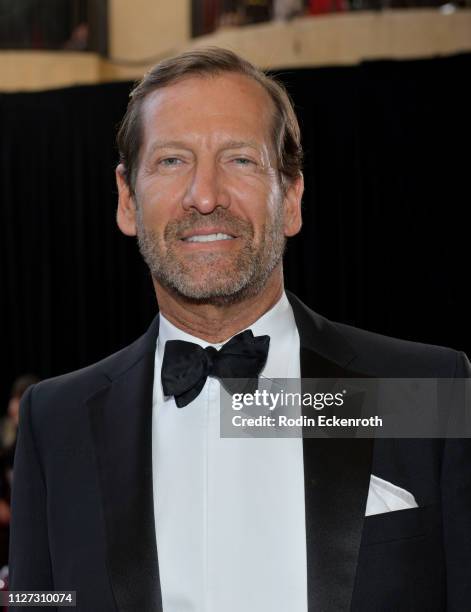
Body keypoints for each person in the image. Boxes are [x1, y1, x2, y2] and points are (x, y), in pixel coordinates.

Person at [9, 47, 471, 612]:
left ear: (293, 199)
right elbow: (40, 602)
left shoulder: (422, 391)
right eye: (172, 161)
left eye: (240, 160)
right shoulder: (55, 423)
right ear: (127, 200)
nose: (205, 196)